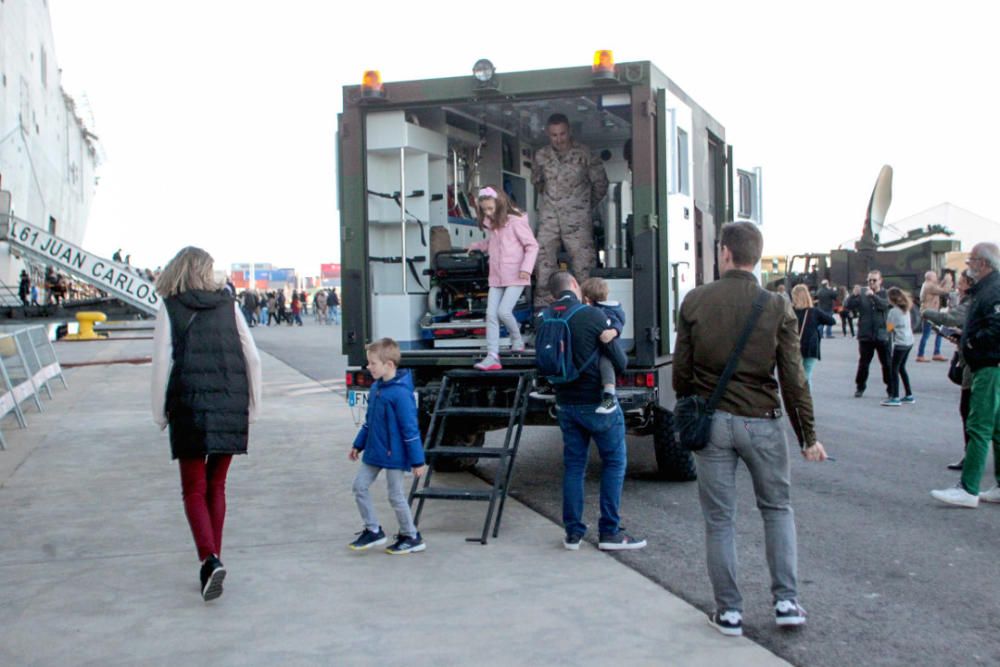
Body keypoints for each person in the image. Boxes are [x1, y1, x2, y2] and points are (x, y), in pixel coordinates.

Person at [673, 222, 827, 638]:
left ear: (724, 252)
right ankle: (786, 601)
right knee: (776, 509)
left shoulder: (694, 301)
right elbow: (794, 379)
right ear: (756, 256)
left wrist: (698, 403)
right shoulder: (776, 306)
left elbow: (681, 377)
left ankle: (729, 612)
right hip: (762, 422)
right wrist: (808, 436)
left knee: (720, 520)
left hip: (714, 422)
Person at [150, 246, 262, 601]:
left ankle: (209, 559)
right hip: (230, 401)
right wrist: (253, 407)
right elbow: (253, 358)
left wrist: (158, 412)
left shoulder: (169, 307)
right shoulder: (230, 306)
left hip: (190, 405)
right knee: (218, 485)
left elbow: (161, 364)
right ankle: (214, 560)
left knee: (194, 489)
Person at [537, 271, 643, 551]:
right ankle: (609, 533)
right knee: (614, 463)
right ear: (574, 286)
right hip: (597, 403)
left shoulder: (544, 318)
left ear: (552, 294)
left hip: (565, 403)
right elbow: (620, 363)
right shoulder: (591, 315)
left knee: (574, 467)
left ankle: (573, 534)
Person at [931, 243, 1000, 508]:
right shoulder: (990, 287)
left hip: (989, 365)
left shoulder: (992, 289)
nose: (968, 266)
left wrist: (970, 344)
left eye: (971, 261)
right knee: (995, 427)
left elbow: (996, 329)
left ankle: (968, 488)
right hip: (991, 363)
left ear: (982, 263)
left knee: (979, 425)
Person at [348, 338, 427, 554]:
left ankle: (411, 536)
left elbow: (411, 430)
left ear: (389, 365)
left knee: (395, 496)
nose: (368, 367)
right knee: (359, 486)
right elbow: (368, 422)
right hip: (374, 451)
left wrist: (417, 460)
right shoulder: (375, 388)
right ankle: (373, 530)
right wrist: (358, 445)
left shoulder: (401, 394)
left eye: (373, 363)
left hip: (395, 455)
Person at [531, 113, 609, 307]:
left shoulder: (585, 154)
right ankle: (543, 308)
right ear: (548, 135)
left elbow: (600, 184)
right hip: (550, 216)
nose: (558, 139)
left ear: (569, 131)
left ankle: (588, 308)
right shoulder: (541, 156)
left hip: (577, 217)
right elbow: (538, 182)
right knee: (543, 260)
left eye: (562, 134)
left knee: (583, 264)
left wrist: (582, 205)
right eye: (554, 135)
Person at [468, 186, 539, 371]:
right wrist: (477, 245)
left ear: (500, 205)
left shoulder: (516, 221)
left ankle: (517, 338)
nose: (488, 213)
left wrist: (526, 269)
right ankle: (492, 355)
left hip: (517, 275)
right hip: (497, 276)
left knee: (503, 312)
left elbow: (532, 246)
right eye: (485, 210)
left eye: (491, 209)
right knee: (490, 315)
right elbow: (493, 244)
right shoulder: (492, 225)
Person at [923, 270, 974, 470]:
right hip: (972, 358)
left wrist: (926, 312)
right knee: (970, 411)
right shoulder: (974, 300)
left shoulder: (973, 301)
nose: (957, 287)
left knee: (972, 413)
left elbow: (952, 317)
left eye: (960, 283)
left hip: (978, 364)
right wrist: (960, 335)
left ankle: (971, 464)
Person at [580, 276, 626, 414]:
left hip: (608, 349)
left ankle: (609, 395)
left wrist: (612, 332)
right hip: (595, 346)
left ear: (587, 298)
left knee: (606, 364)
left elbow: (617, 323)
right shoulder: (597, 309)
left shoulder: (608, 310)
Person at [845, 270, 892, 399]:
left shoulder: (885, 293)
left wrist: (873, 296)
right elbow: (848, 306)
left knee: (887, 363)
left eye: (874, 280)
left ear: (880, 281)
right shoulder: (862, 294)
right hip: (866, 334)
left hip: (882, 334)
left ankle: (890, 388)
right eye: (869, 280)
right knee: (864, 363)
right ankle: (860, 386)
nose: (871, 283)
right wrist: (853, 296)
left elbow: (884, 306)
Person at [791, 284, 836, 390]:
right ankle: (806, 401)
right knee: (807, 375)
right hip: (811, 347)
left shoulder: (790, 311)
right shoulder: (814, 312)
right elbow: (831, 321)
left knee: (794, 377)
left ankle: (796, 400)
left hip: (794, 347)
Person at [882, 287, 915, 406]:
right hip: (909, 340)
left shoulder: (893, 311)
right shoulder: (906, 309)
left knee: (893, 369)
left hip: (900, 342)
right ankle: (909, 394)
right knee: (902, 367)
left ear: (891, 299)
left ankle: (895, 396)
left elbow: (889, 328)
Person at [916, 271, 950, 362]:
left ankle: (935, 353)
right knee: (928, 334)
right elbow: (944, 291)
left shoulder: (927, 285)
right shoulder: (930, 286)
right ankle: (922, 354)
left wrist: (943, 281)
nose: (937, 278)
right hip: (930, 313)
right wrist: (948, 280)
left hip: (929, 312)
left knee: (938, 332)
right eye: (935, 276)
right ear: (930, 278)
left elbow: (938, 287)